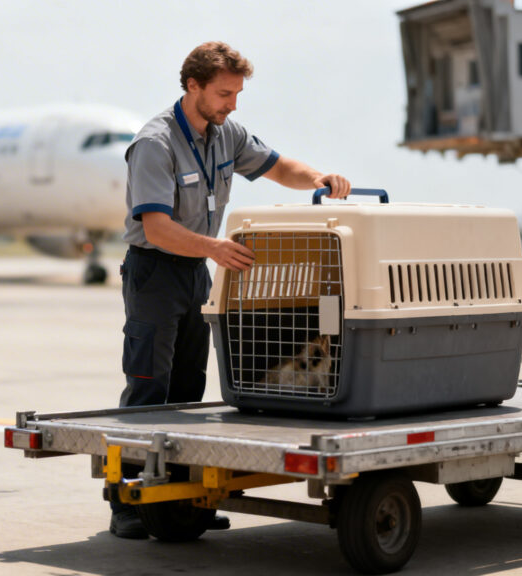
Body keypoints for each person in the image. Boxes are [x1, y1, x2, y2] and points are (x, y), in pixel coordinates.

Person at [111, 41, 352, 539]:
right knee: (148, 386)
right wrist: (216, 248)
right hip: (155, 273)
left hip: (197, 270)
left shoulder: (226, 133)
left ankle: (180, 502)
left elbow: (278, 167)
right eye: (224, 93)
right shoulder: (155, 143)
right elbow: (155, 227)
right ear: (193, 86)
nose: (232, 104)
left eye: (237, 94)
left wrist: (318, 177)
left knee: (188, 388)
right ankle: (127, 506)